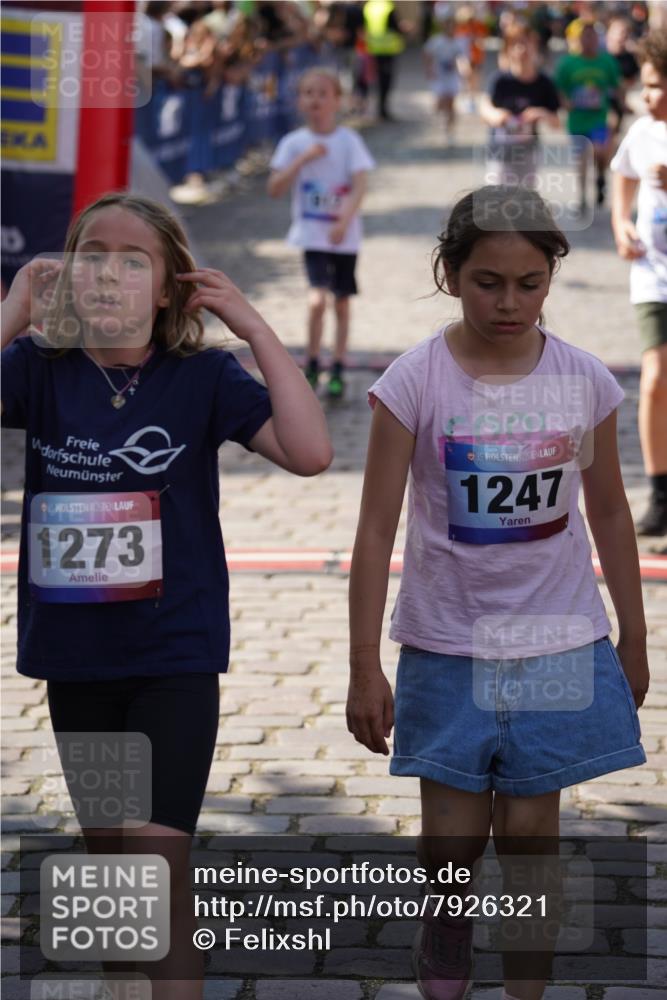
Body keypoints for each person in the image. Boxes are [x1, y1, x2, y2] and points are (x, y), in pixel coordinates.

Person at [0, 192, 332, 999]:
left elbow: (310, 452)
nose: (107, 274)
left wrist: (254, 330)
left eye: (132, 260)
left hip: (172, 656)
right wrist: (12, 312)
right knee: (114, 870)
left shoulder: (202, 376)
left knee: (155, 862)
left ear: (167, 287)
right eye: (91, 256)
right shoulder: (40, 369)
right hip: (78, 661)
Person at [347, 186, 648, 1000]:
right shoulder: (413, 382)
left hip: (555, 641)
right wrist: (365, 666)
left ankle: (524, 988)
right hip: (446, 644)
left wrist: (633, 636)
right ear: (449, 275)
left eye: (528, 283)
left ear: (550, 279)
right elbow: (374, 530)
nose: (508, 302)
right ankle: (446, 931)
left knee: (528, 835)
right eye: (487, 282)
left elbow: (609, 511)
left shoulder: (583, 380)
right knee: (451, 841)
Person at [267, 67, 375, 398]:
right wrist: (302, 160)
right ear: (300, 101)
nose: (315, 100)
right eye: (308, 93)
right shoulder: (293, 143)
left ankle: (338, 365)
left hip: (343, 237)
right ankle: (312, 363)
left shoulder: (349, 141)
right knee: (316, 301)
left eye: (323, 93)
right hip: (312, 234)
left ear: (337, 100)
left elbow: (360, 185)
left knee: (341, 303)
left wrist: (344, 220)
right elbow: (274, 188)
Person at [611, 29, 667, 536]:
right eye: (645, 85)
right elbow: (624, 175)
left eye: (656, 86)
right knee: (654, 379)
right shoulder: (643, 131)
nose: (647, 96)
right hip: (653, 275)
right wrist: (620, 223)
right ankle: (659, 491)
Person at [480, 24, 560, 188]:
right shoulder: (500, 81)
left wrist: (541, 114)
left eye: (526, 43)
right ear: (508, 50)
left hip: (528, 153)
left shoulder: (544, 83)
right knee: (498, 197)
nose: (521, 49)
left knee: (525, 198)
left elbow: (556, 123)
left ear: (535, 47)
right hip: (500, 152)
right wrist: (496, 115)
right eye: (515, 44)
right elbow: (484, 108)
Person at [555, 20, 621, 211]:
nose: (589, 40)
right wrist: (565, 103)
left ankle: (600, 177)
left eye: (592, 36)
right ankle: (582, 197)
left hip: (599, 119)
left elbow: (617, 87)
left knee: (600, 153)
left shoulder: (606, 62)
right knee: (581, 160)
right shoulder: (568, 63)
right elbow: (558, 88)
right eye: (585, 36)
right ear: (579, 39)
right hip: (577, 121)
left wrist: (621, 106)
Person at [423, 15, 471, 145]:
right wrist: (429, 69)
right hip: (439, 76)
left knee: (451, 103)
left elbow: (463, 59)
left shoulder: (459, 42)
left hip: (452, 77)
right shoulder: (436, 41)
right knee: (441, 101)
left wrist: (465, 72)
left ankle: (450, 130)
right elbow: (427, 54)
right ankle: (439, 118)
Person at [363, 0, 408, 121]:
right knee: (385, 82)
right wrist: (405, 28)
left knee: (374, 80)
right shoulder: (388, 7)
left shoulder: (369, 6)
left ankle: (373, 108)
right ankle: (382, 110)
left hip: (372, 47)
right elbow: (394, 27)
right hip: (387, 49)